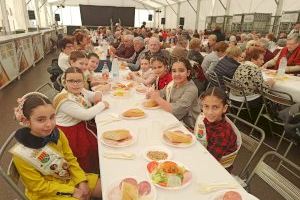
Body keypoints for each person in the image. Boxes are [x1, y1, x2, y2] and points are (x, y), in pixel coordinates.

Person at [12, 92, 102, 200]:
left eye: (52, 117)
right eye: (41, 120)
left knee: (107, 188)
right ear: (26, 121)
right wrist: (71, 191)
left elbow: (70, 159)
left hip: (68, 177)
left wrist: (81, 181)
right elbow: (38, 187)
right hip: (47, 194)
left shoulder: (57, 133)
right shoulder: (21, 154)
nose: (49, 124)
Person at [53, 67, 109, 173]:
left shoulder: (80, 91)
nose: (75, 84)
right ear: (65, 82)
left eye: (79, 81)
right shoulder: (65, 99)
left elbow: (92, 96)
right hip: (70, 133)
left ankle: (99, 169)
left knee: (102, 138)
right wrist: (102, 104)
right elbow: (86, 115)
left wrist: (99, 94)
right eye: (71, 81)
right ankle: (90, 173)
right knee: (93, 148)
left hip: (81, 126)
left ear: (83, 81)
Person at [194, 87, 241, 171]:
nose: (209, 112)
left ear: (224, 108)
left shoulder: (223, 132)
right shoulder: (205, 119)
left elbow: (209, 161)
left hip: (218, 170)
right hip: (202, 157)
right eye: (206, 106)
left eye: (215, 107)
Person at [147, 58, 200, 129]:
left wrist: (157, 98)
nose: (177, 74)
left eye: (181, 71)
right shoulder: (173, 84)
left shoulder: (191, 89)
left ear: (188, 73)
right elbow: (161, 93)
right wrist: (151, 93)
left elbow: (176, 110)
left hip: (188, 126)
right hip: (172, 119)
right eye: (174, 71)